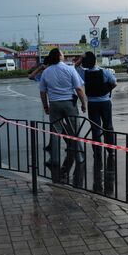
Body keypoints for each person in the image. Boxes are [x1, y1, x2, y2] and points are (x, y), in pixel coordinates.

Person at [39, 48, 87, 182]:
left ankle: (54, 159)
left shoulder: (46, 72)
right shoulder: (70, 69)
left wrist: (45, 106)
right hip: (69, 104)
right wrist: (83, 103)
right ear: (59, 56)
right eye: (62, 53)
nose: (63, 54)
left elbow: (42, 92)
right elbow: (78, 88)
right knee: (74, 131)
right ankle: (79, 158)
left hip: (54, 104)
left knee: (55, 132)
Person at [77, 52, 117, 192]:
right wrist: (106, 91)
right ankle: (110, 150)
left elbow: (76, 69)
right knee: (108, 126)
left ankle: (97, 151)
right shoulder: (105, 72)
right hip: (105, 102)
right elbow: (114, 83)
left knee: (95, 129)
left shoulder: (83, 73)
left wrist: (81, 59)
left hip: (92, 104)